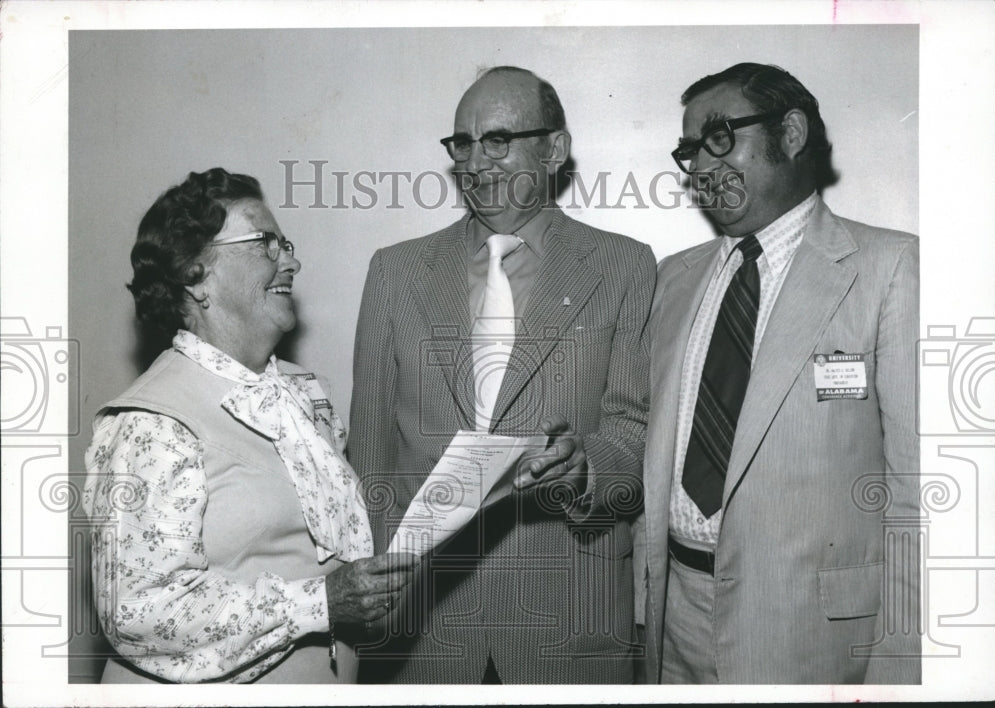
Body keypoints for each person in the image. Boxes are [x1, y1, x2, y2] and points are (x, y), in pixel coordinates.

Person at [349, 66, 655, 683]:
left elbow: (637, 431)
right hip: (422, 630)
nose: (475, 161)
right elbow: (371, 453)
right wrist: (378, 603)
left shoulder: (624, 266)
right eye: (462, 143)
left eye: (497, 140)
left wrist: (587, 464)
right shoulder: (395, 273)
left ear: (554, 150)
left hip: (570, 623)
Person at [636, 63, 920, 683]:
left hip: (815, 638)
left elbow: (915, 498)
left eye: (719, 137)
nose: (703, 166)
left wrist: (901, 675)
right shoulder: (673, 278)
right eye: (690, 149)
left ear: (790, 133)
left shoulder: (890, 267)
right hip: (673, 624)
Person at [83, 168, 417, 683]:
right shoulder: (150, 423)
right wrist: (320, 602)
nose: (292, 261)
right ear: (196, 273)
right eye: (266, 243)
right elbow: (137, 612)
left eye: (285, 243)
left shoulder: (303, 395)